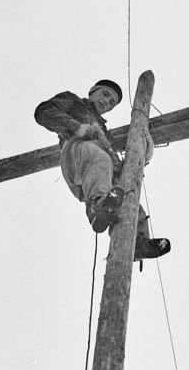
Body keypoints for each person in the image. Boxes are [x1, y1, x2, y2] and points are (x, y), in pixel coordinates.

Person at [34, 79, 171, 261]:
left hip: (100, 174)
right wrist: (76, 126)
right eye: (105, 94)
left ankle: (137, 243)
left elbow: (110, 158)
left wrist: (132, 166)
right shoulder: (74, 102)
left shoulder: (105, 131)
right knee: (99, 157)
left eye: (111, 103)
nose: (106, 102)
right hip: (77, 155)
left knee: (130, 200)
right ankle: (97, 208)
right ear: (92, 90)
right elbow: (43, 112)